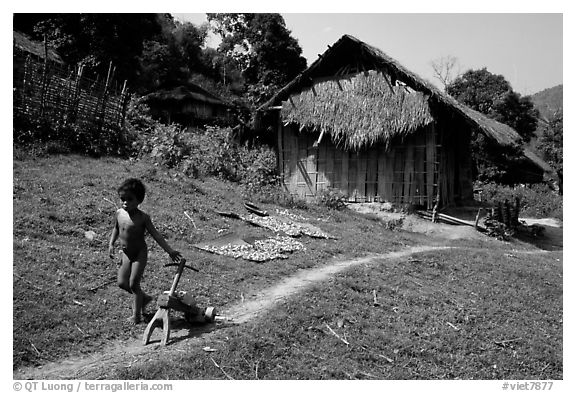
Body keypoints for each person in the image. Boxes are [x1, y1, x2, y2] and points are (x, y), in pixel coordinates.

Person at [108, 178, 182, 324]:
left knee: (133, 284)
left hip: (139, 254)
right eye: (123, 199)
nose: (125, 203)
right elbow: (116, 228)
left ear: (139, 200)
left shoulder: (143, 218)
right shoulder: (119, 213)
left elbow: (156, 235)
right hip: (126, 254)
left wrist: (170, 251)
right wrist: (111, 244)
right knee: (122, 283)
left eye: (130, 199)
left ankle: (136, 316)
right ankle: (144, 298)